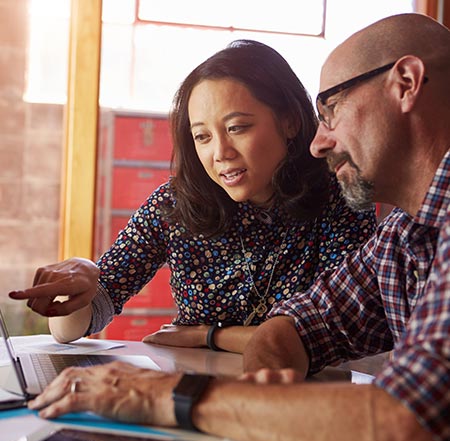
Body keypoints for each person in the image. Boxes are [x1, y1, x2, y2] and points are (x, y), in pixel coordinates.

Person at [24, 13, 449, 441]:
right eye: (202, 137)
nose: (320, 142)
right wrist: (257, 410)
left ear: (406, 82)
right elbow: (300, 327)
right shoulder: (404, 234)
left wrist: (176, 385)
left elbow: (407, 415)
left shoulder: (344, 200)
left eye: (333, 110)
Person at [9, 40, 375, 352]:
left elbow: (338, 332)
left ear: (290, 121)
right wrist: (84, 282)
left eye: (237, 128)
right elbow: (74, 328)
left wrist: (210, 336)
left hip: (303, 403)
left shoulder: (339, 199)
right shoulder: (175, 204)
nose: (220, 152)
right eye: (203, 136)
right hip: (194, 400)